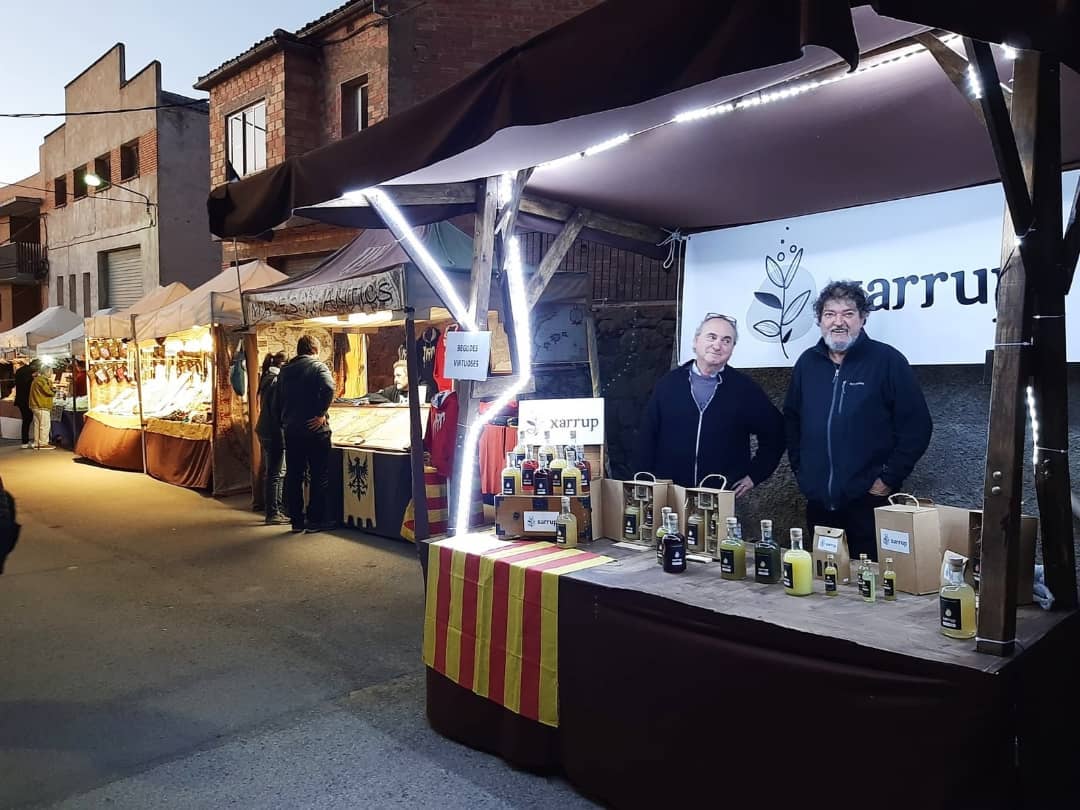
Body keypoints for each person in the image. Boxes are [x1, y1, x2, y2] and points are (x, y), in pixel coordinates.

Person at [784, 280, 932, 561]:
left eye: (848, 313)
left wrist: (887, 480)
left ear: (863, 318)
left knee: (870, 580)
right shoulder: (807, 364)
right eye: (830, 314)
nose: (838, 322)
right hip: (819, 505)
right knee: (824, 576)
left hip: (869, 503)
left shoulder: (887, 361)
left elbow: (917, 427)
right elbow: (792, 421)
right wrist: (803, 473)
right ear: (820, 321)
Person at [637, 313, 785, 494]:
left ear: (732, 348)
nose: (717, 345)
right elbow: (646, 437)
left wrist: (755, 475)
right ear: (696, 341)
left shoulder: (745, 390)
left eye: (726, 340)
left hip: (721, 494)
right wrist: (645, 483)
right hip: (670, 493)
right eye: (712, 337)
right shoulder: (668, 385)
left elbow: (776, 433)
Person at [273, 335, 335, 534]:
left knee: (294, 475)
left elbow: (277, 400)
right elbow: (329, 387)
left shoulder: (285, 371)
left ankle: (297, 521)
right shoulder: (318, 367)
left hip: (292, 431)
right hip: (315, 431)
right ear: (315, 350)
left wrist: (284, 421)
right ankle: (315, 520)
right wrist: (321, 413)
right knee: (318, 475)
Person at [256, 352, 289, 525]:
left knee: (275, 472)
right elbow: (279, 409)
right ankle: (273, 512)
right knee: (276, 473)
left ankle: (276, 509)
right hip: (274, 431)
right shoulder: (276, 382)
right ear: (283, 365)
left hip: (266, 429)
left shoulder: (267, 378)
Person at [29, 363, 56, 450]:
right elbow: (48, 391)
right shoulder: (42, 380)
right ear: (47, 372)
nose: (51, 374)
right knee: (44, 425)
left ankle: (37, 443)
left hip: (35, 406)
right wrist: (54, 390)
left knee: (37, 425)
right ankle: (43, 443)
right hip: (42, 405)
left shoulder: (36, 380)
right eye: (51, 372)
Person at [14, 359, 40, 448]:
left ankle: (25, 441)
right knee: (28, 420)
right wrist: (33, 377)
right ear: (35, 366)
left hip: (20, 400)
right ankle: (26, 441)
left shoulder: (20, 370)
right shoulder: (29, 373)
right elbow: (28, 384)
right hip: (26, 400)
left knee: (26, 420)